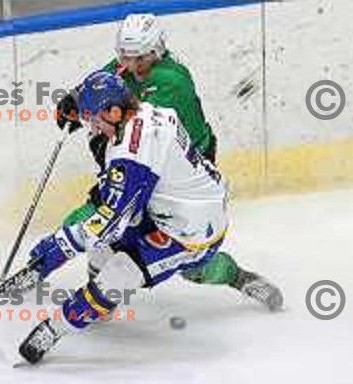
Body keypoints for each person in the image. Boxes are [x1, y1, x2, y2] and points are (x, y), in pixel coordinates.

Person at [18, 71, 282, 364]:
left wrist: (52, 249)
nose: (92, 127)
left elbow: (105, 225)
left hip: (190, 232)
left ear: (115, 111)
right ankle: (98, 305)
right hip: (170, 206)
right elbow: (112, 79)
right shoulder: (147, 109)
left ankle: (53, 329)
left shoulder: (132, 156)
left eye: (93, 119)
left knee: (119, 274)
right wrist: (77, 98)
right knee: (102, 253)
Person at [55, 13, 256, 296]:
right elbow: (101, 86)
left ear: (156, 51)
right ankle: (97, 283)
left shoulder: (171, 81)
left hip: (179, 176)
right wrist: (75, 100)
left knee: (191, 265)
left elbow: (137, 137)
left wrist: (92, 119)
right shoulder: (126, 65)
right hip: (144, 166)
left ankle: (236, 276)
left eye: (138, 58)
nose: (129, 65)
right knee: (88, 222)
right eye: (124, 56)